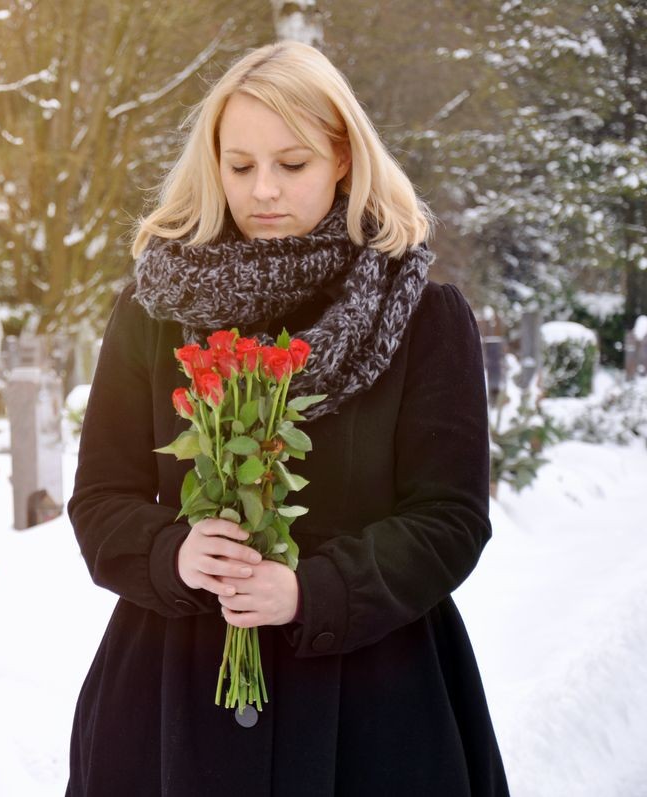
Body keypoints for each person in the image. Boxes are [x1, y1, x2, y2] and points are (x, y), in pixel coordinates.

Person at [66, 41, 509, 796]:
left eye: (292, 163)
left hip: (373, 706)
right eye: (239, 166)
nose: (262, 190)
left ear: (343, 156)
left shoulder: (423, 315)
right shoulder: (156, 308)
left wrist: (312, 591)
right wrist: (173, 553)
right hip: (171, 706)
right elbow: (102, 497)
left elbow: (449, 519)